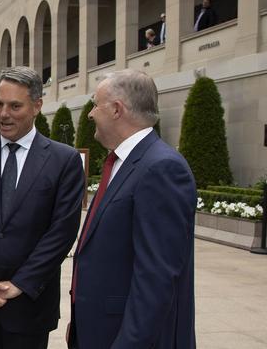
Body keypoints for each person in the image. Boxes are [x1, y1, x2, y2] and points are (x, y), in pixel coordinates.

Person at [0, 66, 84, 349]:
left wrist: (19, 284)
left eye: (15, 106)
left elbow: (62, 232)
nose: (3, 114)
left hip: (28, 310)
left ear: (37, 106)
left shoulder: (64, 161)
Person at [66, 69, 197, 348]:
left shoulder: (161, 167)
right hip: (99, 329)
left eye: (95, 105)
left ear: (116, 109)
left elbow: (156, 278)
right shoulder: (122, 162)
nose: (90, 114)